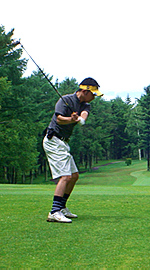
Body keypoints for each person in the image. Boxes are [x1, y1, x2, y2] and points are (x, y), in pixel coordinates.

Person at [43, 77, 103, 223]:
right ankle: (54, 211)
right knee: (65, 176)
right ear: (84, 91)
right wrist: (70, 119)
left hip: (63, 143)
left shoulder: (85, 104)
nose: (94, 97)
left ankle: (62, 207)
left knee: (74, 175)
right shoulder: (65, 100)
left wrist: (79, 119)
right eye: (93, 94)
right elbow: (59, 119)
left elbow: (84, 115)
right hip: (53, 140)